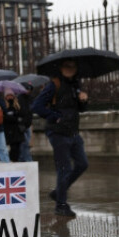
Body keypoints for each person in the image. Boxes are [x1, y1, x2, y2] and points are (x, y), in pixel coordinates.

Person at [32, 59, 88, 218]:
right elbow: (36, 106)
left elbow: (80, 109)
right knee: (64, 169)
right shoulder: (53, 85)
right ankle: (61, 205)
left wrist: (84, 100)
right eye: (67, 66)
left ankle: (58, 192)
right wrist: (55, 117)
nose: (70, 69)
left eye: (73, 66)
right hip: (57, 132)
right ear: (61, 68)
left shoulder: (76, 85)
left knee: (83, 163)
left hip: (73, 132)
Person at [2, 88, 26, 161]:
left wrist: (14, 117)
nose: (10, 97)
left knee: (17, 149)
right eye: (8, 96)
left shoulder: (17, 106)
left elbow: (22, 116)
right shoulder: (4, 106)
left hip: (17, 132)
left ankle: (15, 161)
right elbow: (5, 118)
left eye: (11, 95)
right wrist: (14, 118)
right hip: (8, 132)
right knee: (11, 149)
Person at [17, 83, 35, 162]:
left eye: (29, 89)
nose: (28, 91)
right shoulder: (20, 98)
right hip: (22, 124)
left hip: (28, 124)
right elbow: (21, 111)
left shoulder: (30, 98)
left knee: (25, 144)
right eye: (27, 89)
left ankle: (22, 160)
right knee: (25, 144)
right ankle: (28, 160)